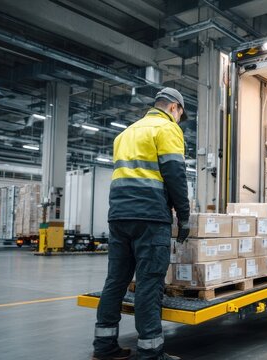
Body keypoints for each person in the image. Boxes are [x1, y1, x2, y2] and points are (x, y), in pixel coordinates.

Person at [93, 88, 191, 360]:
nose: (178, 119)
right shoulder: (167, 129)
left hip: (119, 216)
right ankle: (150, 352)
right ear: (174, 107)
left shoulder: (125, 134)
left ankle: (104, 347)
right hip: (150, 216)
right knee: (149, 283)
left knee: (115, 280)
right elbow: (175, 175)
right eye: (180, 114)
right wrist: (184, 216)